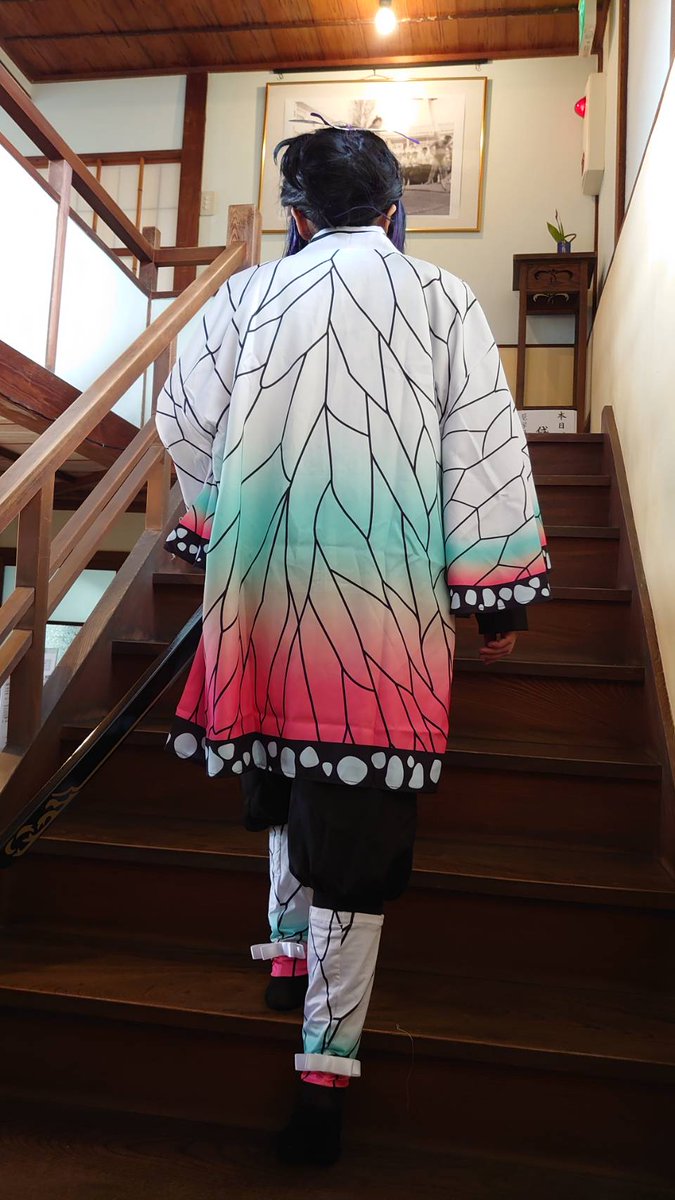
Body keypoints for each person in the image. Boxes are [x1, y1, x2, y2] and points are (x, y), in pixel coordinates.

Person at [155, 126, 550, 1167]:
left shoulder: (245, 298)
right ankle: (323, 1082)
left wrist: (222, 520)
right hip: (381, 618)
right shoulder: (441, 299)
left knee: (282, 774)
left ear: (294, 215)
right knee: (355, 834)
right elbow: (481, 443)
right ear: (391, 210)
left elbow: (181, 418)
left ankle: (287, 958)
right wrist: (495, 600)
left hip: (262, 600)